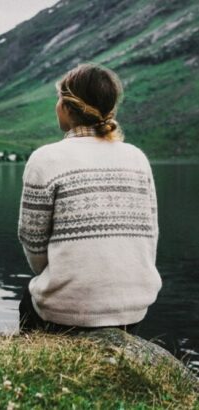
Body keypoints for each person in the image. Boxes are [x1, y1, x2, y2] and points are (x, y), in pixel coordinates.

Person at [17, 63, 162, 335]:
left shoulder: (45, 159)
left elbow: (34, 248)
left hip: (65, 311)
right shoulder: (137, 158)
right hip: (133, 309)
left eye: (59, 98)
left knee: (28, 300)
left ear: (68, 107)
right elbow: (150, 236)